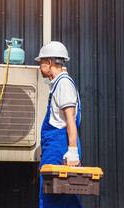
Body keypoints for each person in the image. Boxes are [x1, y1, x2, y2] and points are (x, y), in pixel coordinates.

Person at [35, 41, 82, 208]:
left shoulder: (63, 84)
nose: (40, 67)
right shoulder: (56, 85)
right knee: (62, 197)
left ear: (49, 62)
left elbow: (70, 118)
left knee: (54, 199)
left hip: (59, 149)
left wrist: (72, 151)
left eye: (41, 63)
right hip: (54, 148)